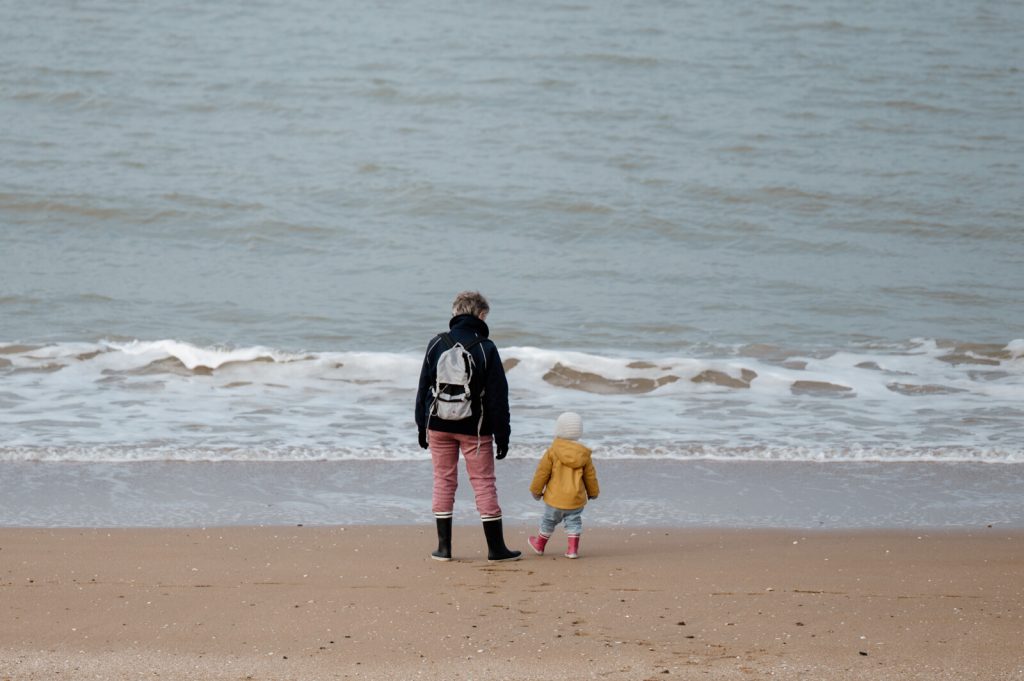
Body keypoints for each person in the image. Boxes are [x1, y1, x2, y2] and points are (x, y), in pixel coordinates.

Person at [415, 291, 521, 563]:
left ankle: (443, 549)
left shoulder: (437, 343)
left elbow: (423, 388)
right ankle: (496, 549)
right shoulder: (486, 347)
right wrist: (503, 435)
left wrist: (421, 426)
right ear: (481, 315)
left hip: (437, 424)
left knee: (443, 481)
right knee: (483, 483)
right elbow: (498, 397)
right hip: (475, 428)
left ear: (455, 312)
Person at [527, 412, 599, 559]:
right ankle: (572, 550)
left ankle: (539, 544)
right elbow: (590, 476)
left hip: (554, 499)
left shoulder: (552, 451)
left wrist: (536, 490)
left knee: (548, 521)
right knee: (574, 522)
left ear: (558, 430)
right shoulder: (583, 454)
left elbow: (542, 473)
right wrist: (593, 492)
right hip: (575, 499)